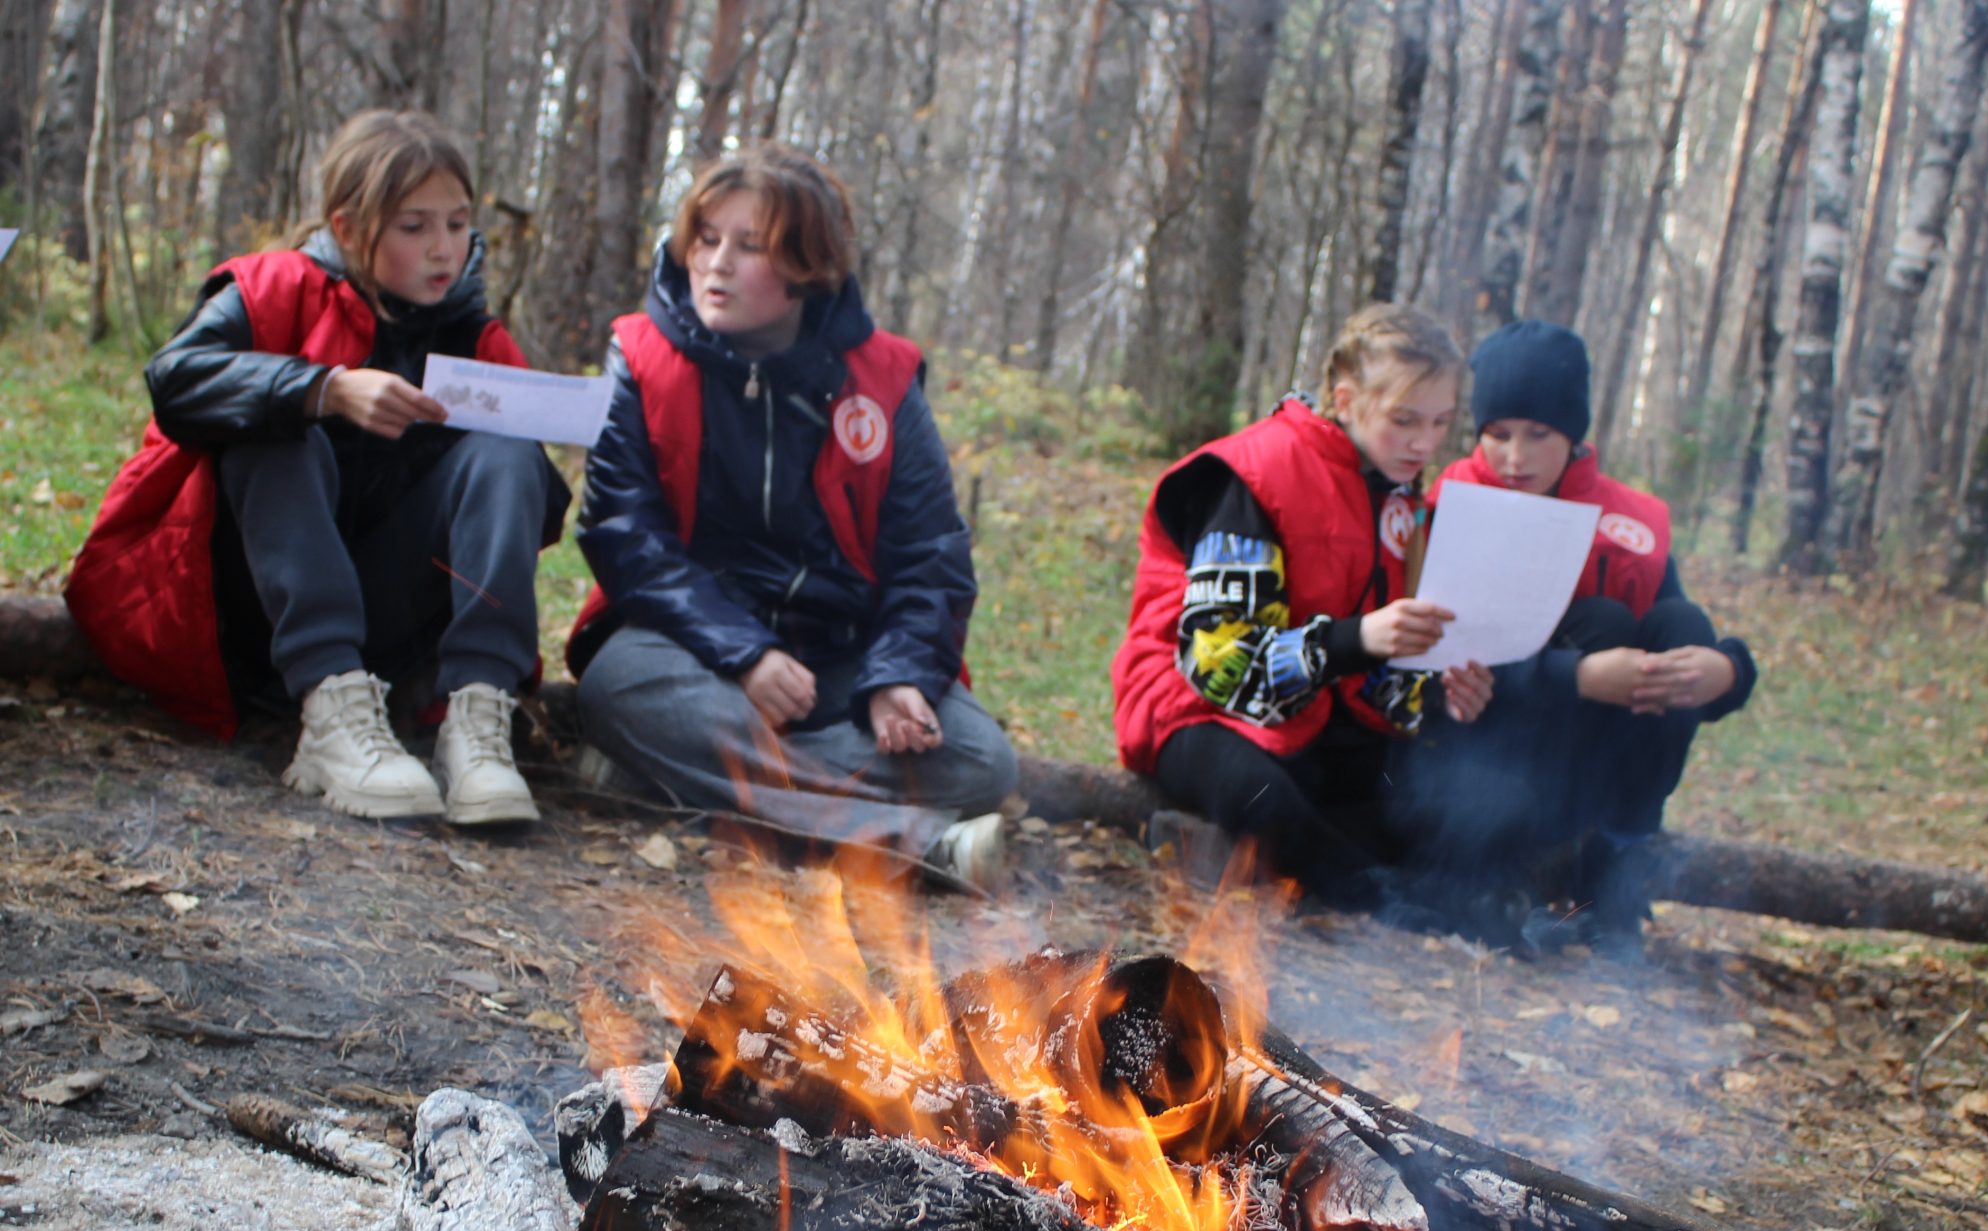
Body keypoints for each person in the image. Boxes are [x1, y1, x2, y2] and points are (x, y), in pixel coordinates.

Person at [67, 109, 567, 825]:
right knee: (277, 428)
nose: (444, 250)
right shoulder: (274, 285)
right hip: (253, 616)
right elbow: (175, 378)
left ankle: (475, 725)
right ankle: (330, 712)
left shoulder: (475, 336)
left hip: (394, 619)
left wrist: (507, 438)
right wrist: (323, 389)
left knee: (506, 450)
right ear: (350, 223)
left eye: (458, 224)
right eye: (414, 226)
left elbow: (533, 515)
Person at [567, 144, 1016, 888]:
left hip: (840, 658)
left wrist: (897, 677)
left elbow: (929, 554)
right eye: (706, 239)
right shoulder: (642, 356)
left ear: (808, 266)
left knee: (980, 761)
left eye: (751, 248)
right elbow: (624, 536)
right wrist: (743, 652)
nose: (714, 264)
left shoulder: (885, 378)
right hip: (692, 652)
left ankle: (667, 778)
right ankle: (904, 841)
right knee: (615, 684)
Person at [1110, 303, 1493, 912]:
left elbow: (1378, 672)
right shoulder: (1254, 474)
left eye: (1441, 422)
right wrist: (1360, 640)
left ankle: (1350, 876)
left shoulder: (1397, 495)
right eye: (1404, 420)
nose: (1425, 443)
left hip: (1316, 714)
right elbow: (1222, 671)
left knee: (1440, 789)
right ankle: (1375, 901)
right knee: (1264, 794)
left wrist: (1437, 694)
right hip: (1189, 707)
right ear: (1345, 399)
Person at [1428, 319, 1758, 948]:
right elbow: (1444, 657)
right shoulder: (1456, 506)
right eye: (1497, 435)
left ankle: (1620, 852)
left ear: (1574, 433)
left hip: (1600, 765)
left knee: (1681, 626)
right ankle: (1527, 866)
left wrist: (1729, 672)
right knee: (1604, 621)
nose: (1515, 458)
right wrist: (1578, 675)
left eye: (1538, 435)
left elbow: (1683, 629)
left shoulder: (1625, 520)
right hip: (1495, 757)